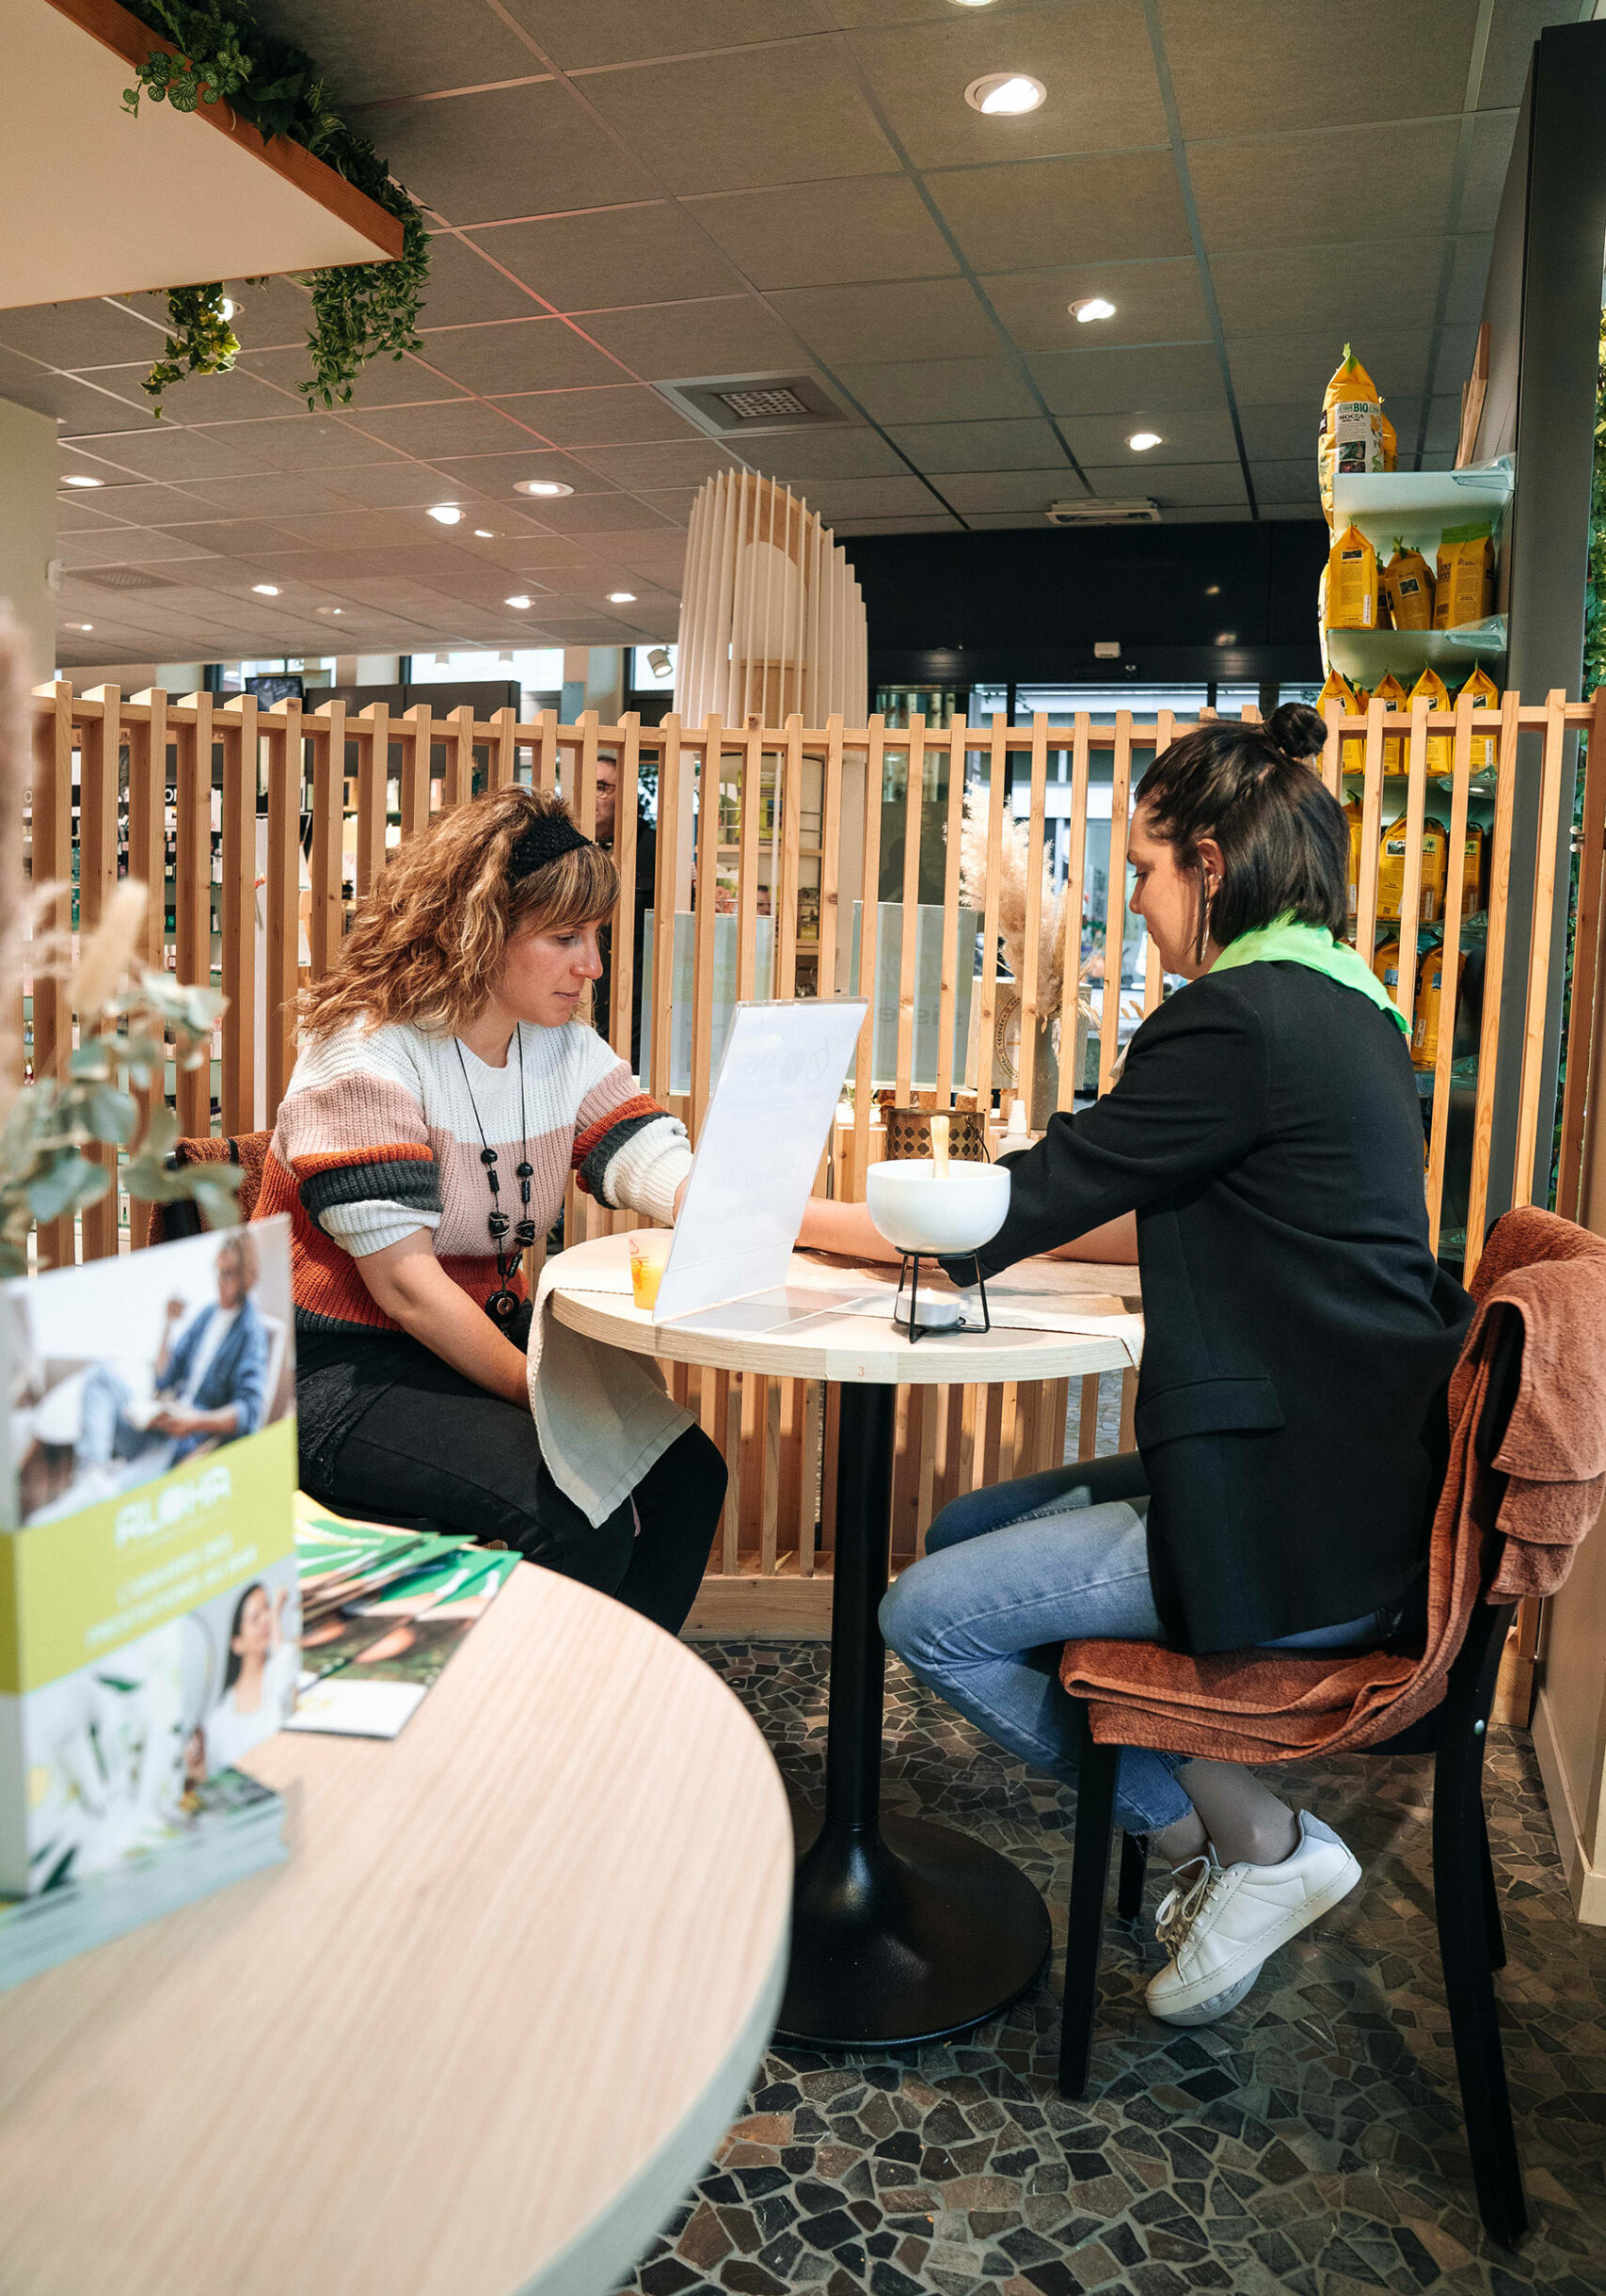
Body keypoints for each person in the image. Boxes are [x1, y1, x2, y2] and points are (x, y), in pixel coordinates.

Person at [799, 704, 1472, 2028]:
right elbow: (1141, 1199)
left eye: (1148, 873)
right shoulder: (1345, 1007)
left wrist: (782, 1217)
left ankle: (1243, 1845)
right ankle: (1226, 1839)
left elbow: (1009, 1205)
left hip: (1300, 1516)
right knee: (971, 1530)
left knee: (927, 1613)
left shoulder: (1236, 1020)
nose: (1139, 908)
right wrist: (1014, 1226)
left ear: (1209, 865)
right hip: (1361, 1474)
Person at [253, 784, 725, 1636]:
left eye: (595, 937)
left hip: (468, 1349)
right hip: (330, 1373)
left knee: (687, 1476)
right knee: (575, 1519)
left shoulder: (557, 1046)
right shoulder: (362, 1051)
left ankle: (609, 1694)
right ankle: (525, 1710)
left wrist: (861, 1229)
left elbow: (668, 1174)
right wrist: (543, 1397)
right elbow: (407, 1290)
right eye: (565, 937)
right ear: (477, 929)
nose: (592, 966)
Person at [77, 1232, 270, 1485]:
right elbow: (164, 1378)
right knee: (100, 1377)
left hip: (187, 1445)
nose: (220, 1282)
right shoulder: (208, 1315)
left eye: (229, 1274)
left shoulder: (250, 1331)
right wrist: (168, 1324)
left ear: (246, 1276)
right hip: (163, 1427)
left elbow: (249, 1412)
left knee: (114, 1490)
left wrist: (194, 1421)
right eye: (218, 1271)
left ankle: (109, 1480)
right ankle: (92, 1471)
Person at [591, 747, 655, 1072]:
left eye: (602, 787)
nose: (594, 796)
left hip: (634, 1002)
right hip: (579, 997)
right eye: (589, 786)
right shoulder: (568, 849)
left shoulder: (654, 849)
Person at [199, 1579, 299, 1774]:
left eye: (267, 1609)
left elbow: (286, 1663)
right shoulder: (218, 1722)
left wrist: (276, 1616)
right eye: (255, 1617)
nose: (266, 1619)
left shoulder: (280, 1673)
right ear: (237, 1643)